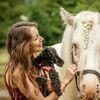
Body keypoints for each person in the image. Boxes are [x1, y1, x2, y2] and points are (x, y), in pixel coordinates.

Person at [4, 21, 78, 100]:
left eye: (39, 35)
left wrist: (48, 87)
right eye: (36, 38)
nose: (41, 39)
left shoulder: (32, 64)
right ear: (24, 45)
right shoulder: (17, 71)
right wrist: (66, 81)